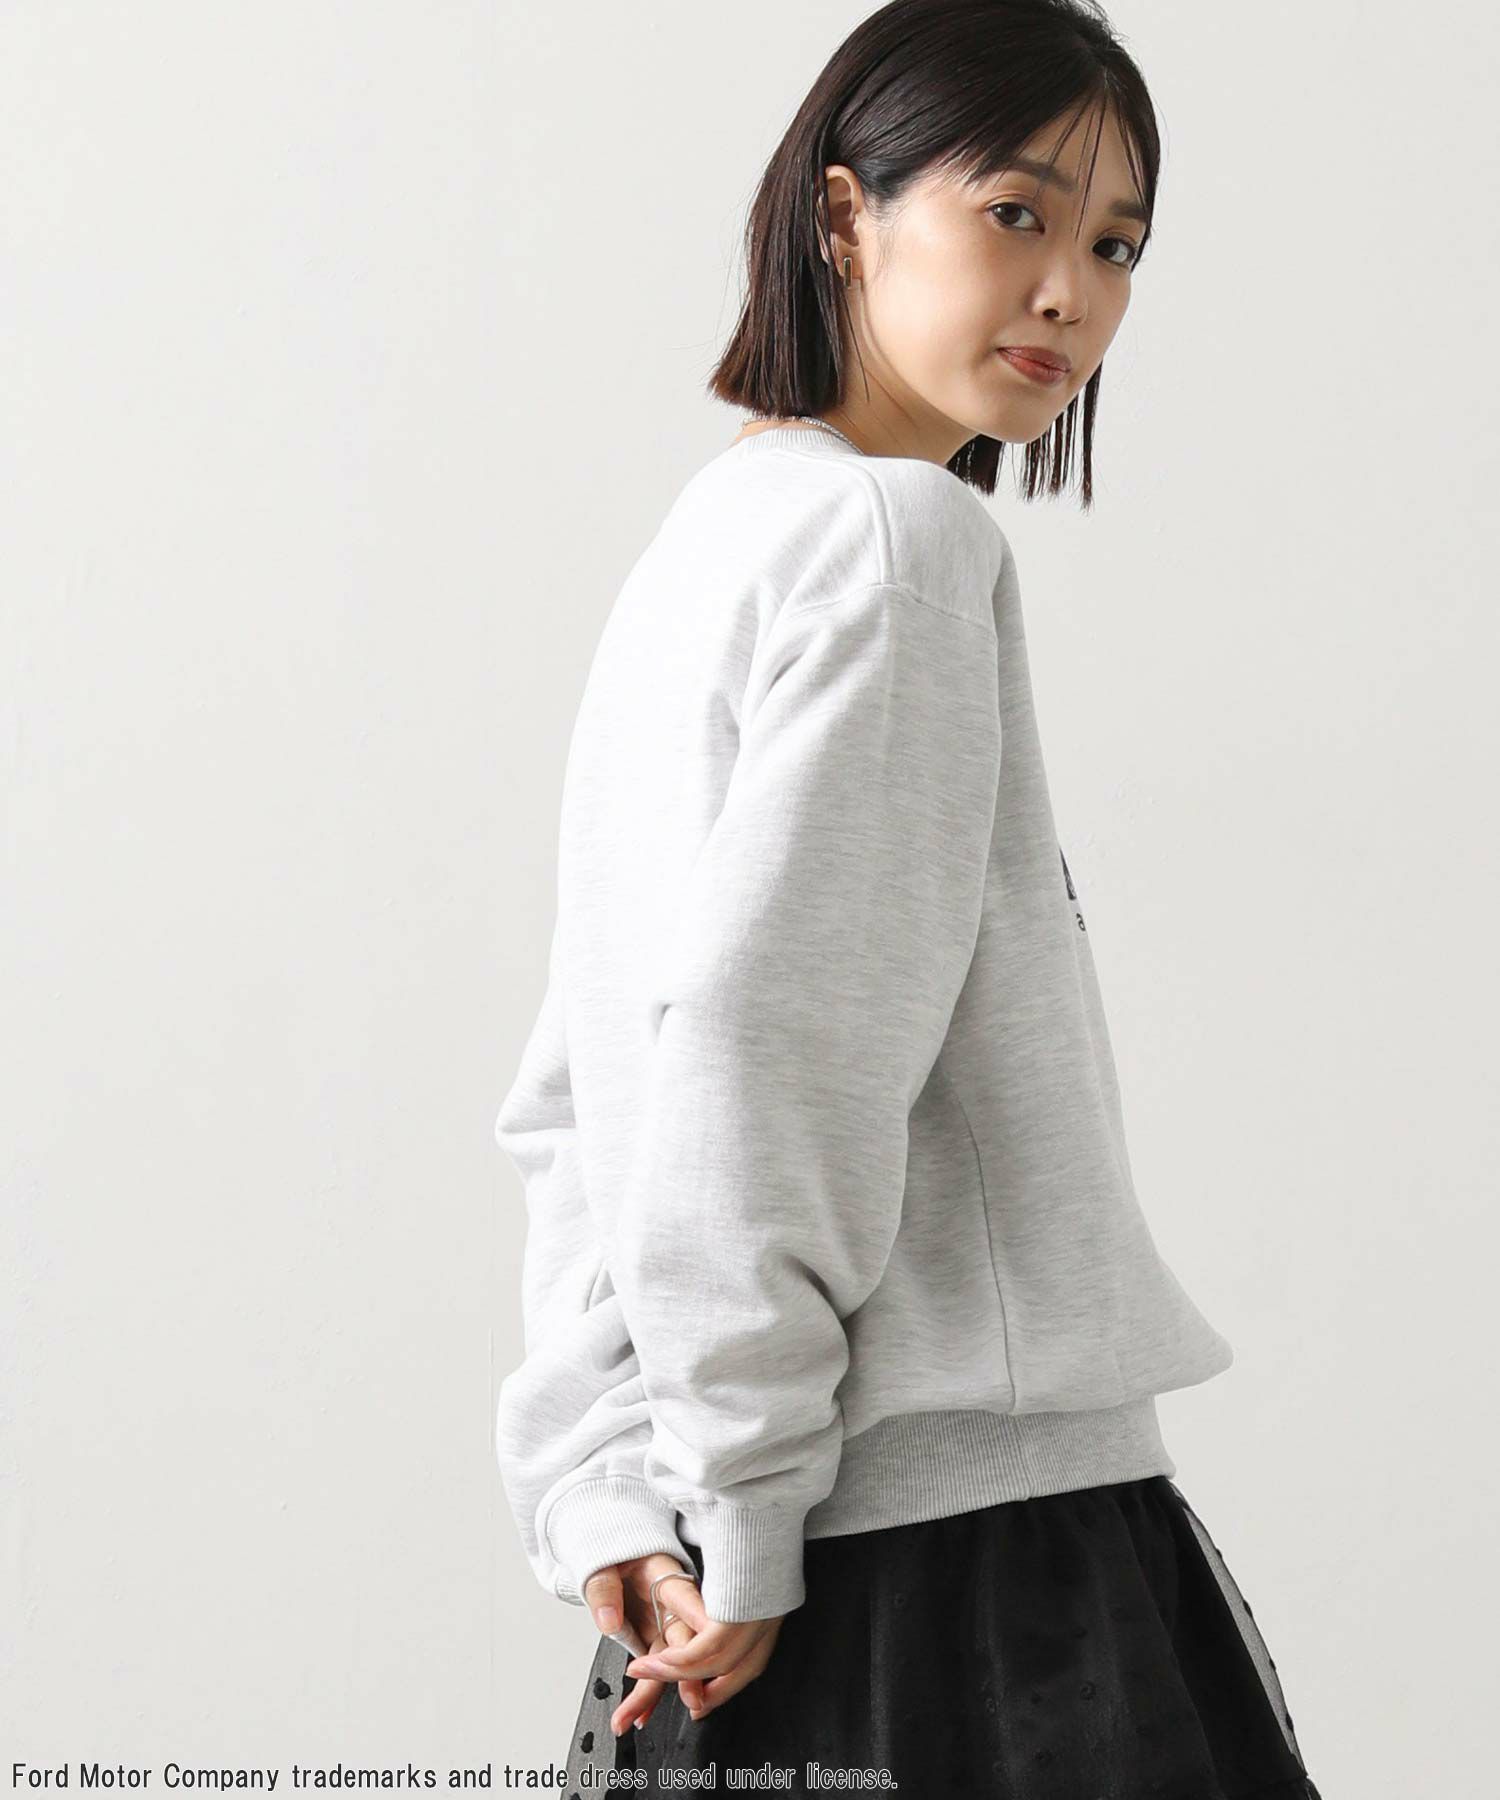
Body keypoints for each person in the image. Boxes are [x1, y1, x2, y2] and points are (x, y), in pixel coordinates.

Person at [493, 1, 1323, 1793]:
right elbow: (762, 1058)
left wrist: (616, 1487)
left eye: (1118, 247)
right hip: (956, 1569)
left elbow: (582, 1102)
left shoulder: (705, 547)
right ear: (844, 214)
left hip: (728, 1556)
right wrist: (744, 1497)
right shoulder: (898, 541)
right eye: (1016, 214)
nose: (1071, 294)